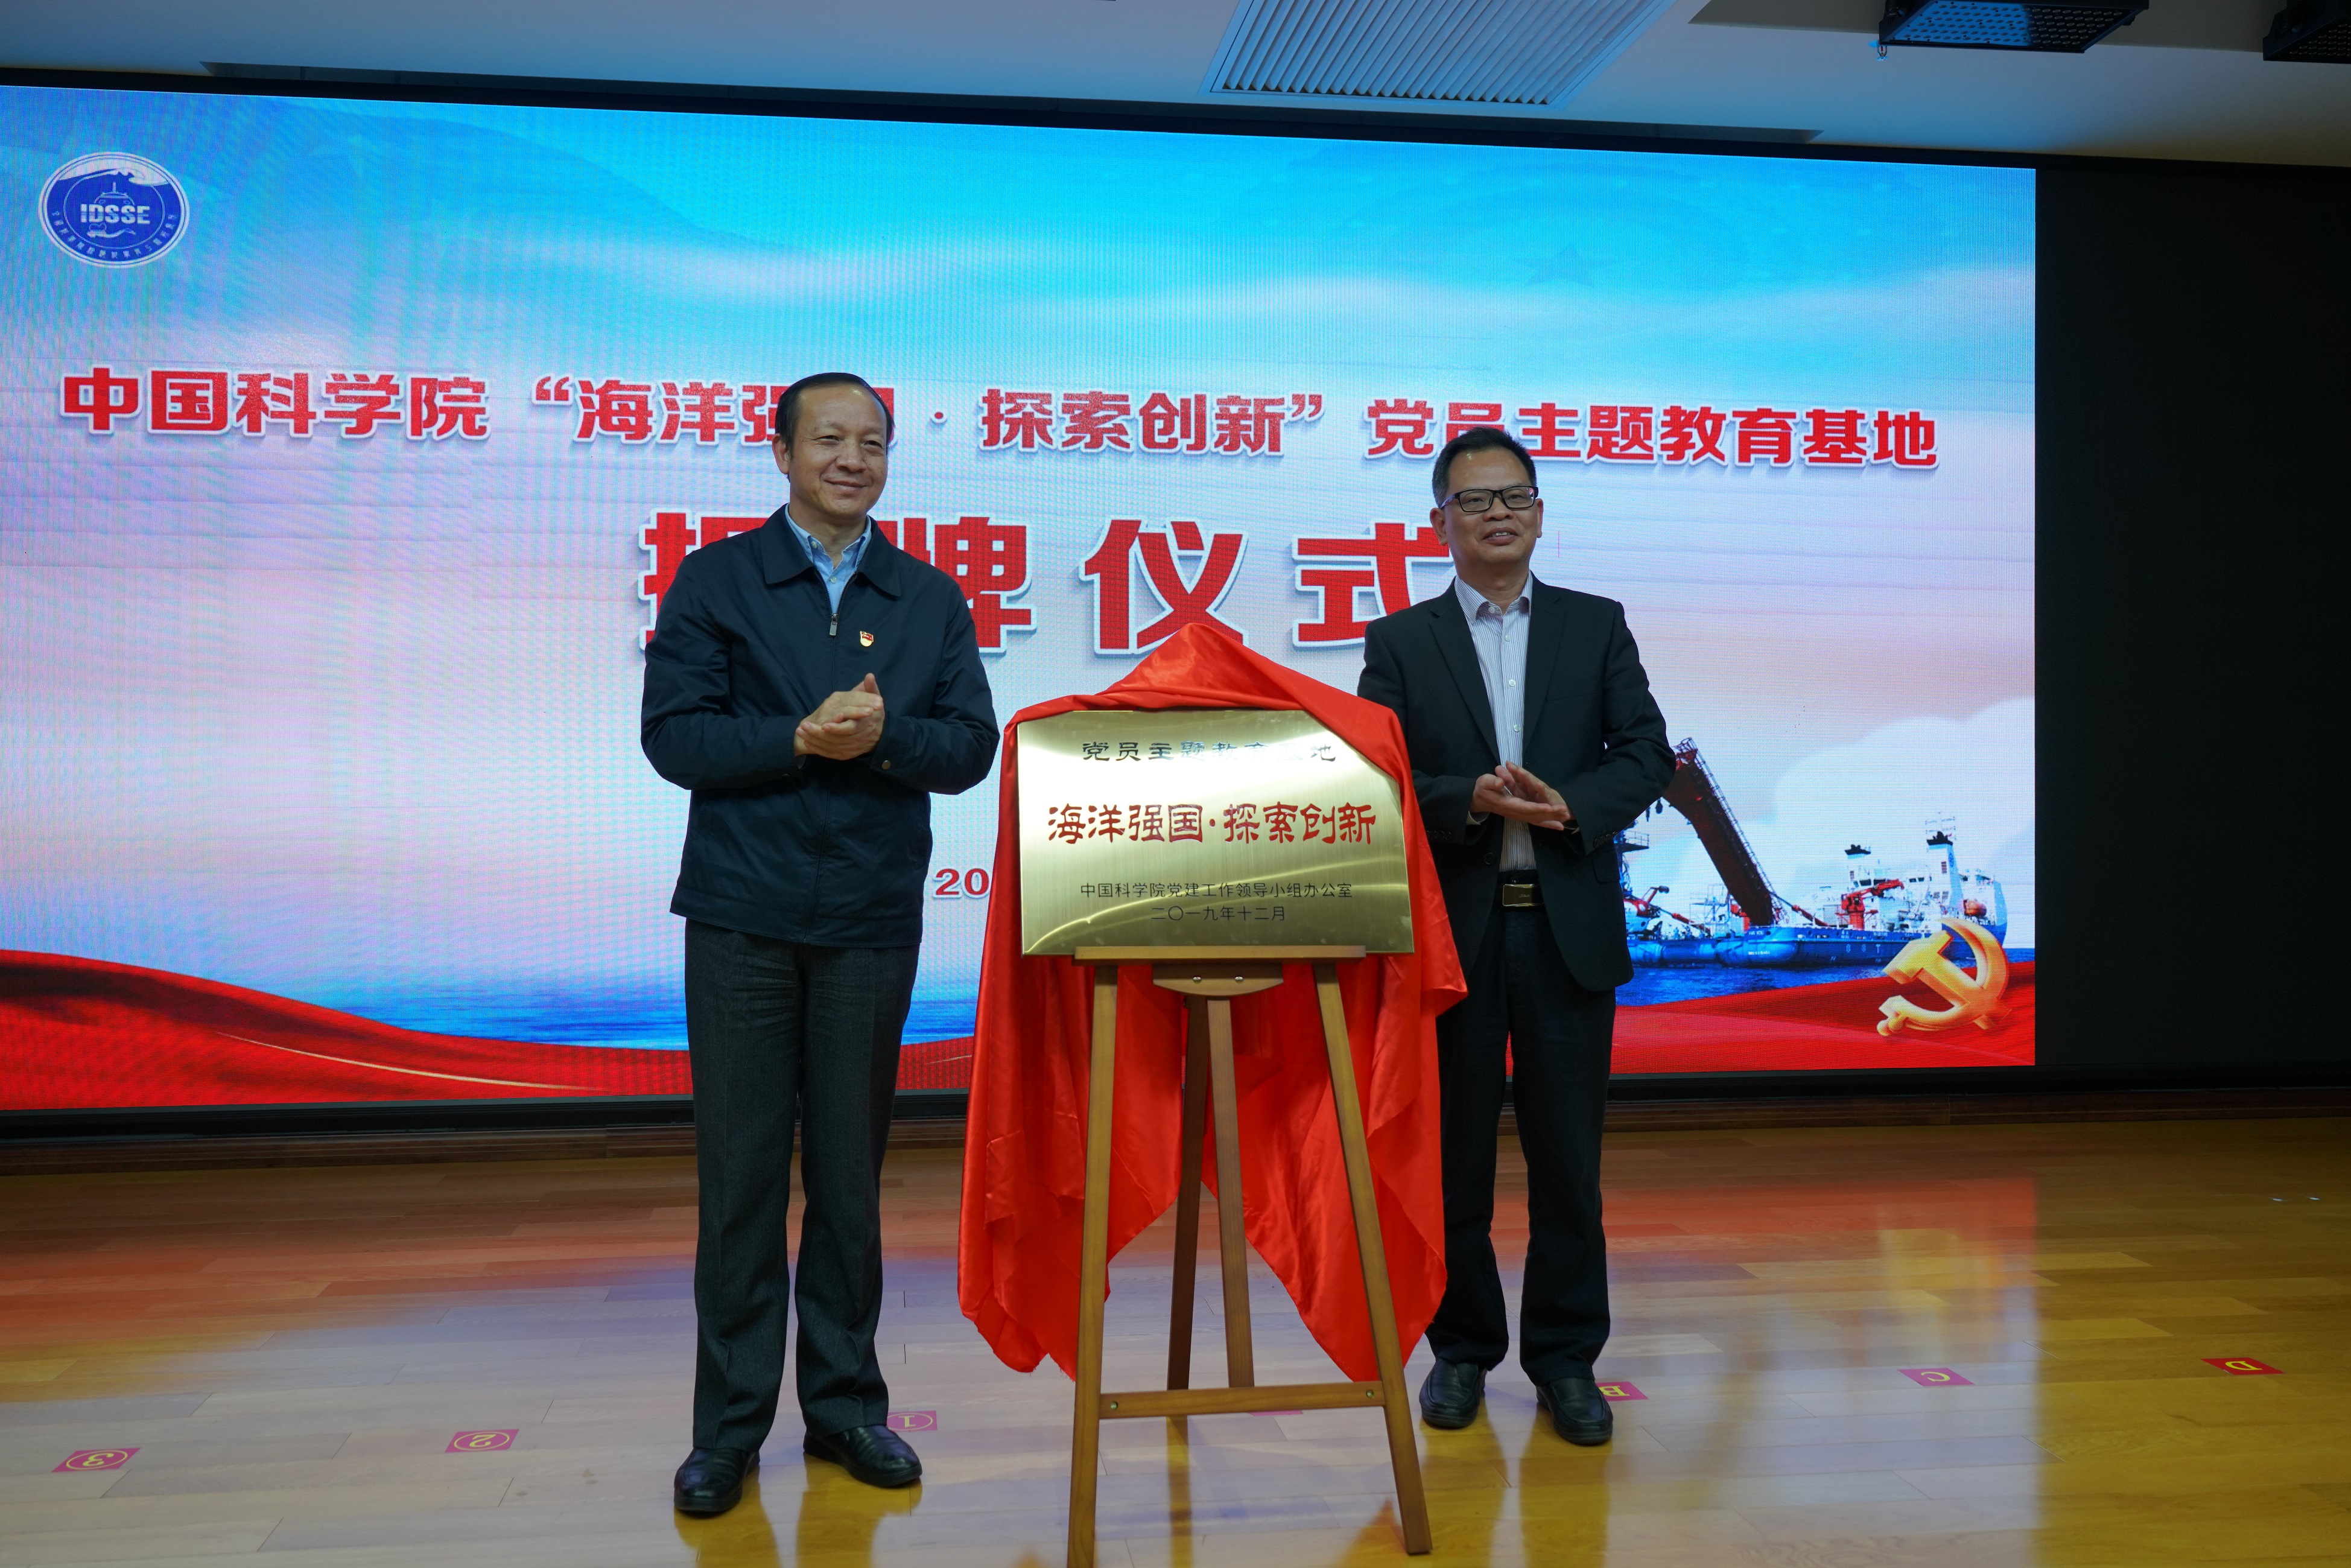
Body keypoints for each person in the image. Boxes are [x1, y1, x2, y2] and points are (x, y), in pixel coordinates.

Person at [642, 372, 998, 1514]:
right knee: (740, 1181)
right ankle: (727, 1431)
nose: (853, 459)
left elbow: (969, 747)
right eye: (829, 439)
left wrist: (884, 740)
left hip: (868, 920)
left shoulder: (926, 595)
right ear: (783, 453)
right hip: (742, 917)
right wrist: (798, 738)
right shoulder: (718, 579)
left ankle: (847, 1409)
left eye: (872, 442)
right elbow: (675, 738)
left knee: (849, 1181)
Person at [1357, 425, 1672, 1445]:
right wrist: (1470, 799)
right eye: (1475, 500)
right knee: (1451, 1162)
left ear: (1539, 512)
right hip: (1456, 936)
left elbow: (1645, 754)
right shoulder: (1401, 642)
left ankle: (1565, 1359)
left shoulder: (1595, 625)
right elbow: (1376, 773)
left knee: (1566, 1164)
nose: (1498, 514)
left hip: (1565, 930)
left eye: (1515, 497)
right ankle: (1460, 1351)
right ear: (1438, 521)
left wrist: (1569, 806)